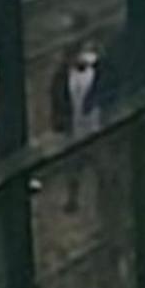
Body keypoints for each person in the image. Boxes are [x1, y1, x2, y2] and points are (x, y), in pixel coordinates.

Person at [49, 38, 118, 213]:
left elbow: (109, 93)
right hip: (73, 131)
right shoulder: (62, 77)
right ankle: (73, 198)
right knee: (73, 169)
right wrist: (60, 125)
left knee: (104, 167)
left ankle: (107, 201)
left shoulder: (100, 71)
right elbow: (57, 101)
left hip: (97, 129)